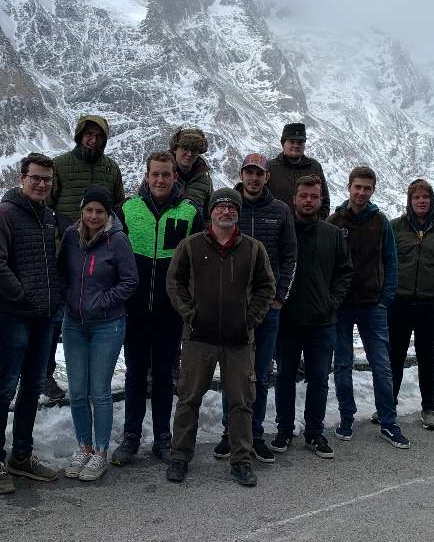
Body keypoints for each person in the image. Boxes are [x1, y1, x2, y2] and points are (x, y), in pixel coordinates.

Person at [165, 189, 276, 486]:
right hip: (199, 337)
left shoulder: (254, 249)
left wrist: (249, 320)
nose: (226, 212)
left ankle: (241, 460)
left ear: (237, 213)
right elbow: (174, 283)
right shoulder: (190, 246)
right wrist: (191, 315)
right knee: (189, 398)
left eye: (231, 208)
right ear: (211, 212)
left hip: (239, 339)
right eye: (220, 207)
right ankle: (179, 456)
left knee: (241, 402)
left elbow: (267, 287)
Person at [111, 152, 203, 465]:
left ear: (174, 177)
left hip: (169, 311)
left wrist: (187, 302)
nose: (160, 180)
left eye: (166, 175)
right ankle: (131, 437)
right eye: (155, 175)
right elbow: (111, 255)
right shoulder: (128, 208)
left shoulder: (189, 212)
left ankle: (163, 438)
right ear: (147, 176)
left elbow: (198, 261)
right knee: (135, 374)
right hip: (134, 309)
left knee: (164, 376)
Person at [0, 153, 64, 493]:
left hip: (43, 316)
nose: (42, 184)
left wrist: (51, 296)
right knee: (5, 385)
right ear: (22, 178)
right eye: (36, 178)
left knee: (32, 385)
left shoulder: (49, 218)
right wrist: (22, 294)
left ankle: (22, 455)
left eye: (46, 179)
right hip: (13, 314)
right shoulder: (3, 215)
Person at [214, 153, 296, 464]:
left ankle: (255, 433)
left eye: (259, 173)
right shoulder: (228, 207)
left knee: (260, 374)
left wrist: (279, 297)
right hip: (232, 308)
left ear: (267, 177)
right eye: (249, 172)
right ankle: (229, 433)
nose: (254, 178)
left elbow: (290, 256)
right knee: (233, 374)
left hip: (268, 309)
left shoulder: (279, 211)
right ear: (241, 174)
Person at [58, 186, 138, 481]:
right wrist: (68, 299)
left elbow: (130, 281)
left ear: (108, 214)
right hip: (74, 323)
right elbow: (62, 272)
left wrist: (101, 301)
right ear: (82, 211)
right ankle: (84, 447)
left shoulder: (117, 240)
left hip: (107, 324)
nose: (93, 216)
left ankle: (101, 452)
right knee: (78, 391)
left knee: (99, 391)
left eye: (99, 211)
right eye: (89, 210)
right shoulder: (70, 237)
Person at [46, 115, 127, 400]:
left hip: (102, 244)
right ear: (79, 135)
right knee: (60, 312)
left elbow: (117, 203)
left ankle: (93, 376)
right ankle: (47, 374)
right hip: (67, 242)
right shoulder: (61, 165)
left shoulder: (110, 167)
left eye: (98, 135)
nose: (92, 140)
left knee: (96, 303)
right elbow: (49, 202)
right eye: (88, 134)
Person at [272, 176, 354, 459]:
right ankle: (284, 429)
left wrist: (333, 302)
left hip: (322, 321)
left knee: (319, 378)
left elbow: (345, 271)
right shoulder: (285, 231)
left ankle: (315, 432)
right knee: (284, 377)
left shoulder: (332, 234)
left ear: (321, 200)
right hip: (288, 321)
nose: (309, 201)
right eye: (304, 196)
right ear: (294, 199)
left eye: (314, 197)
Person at [328, 165, 408, 448]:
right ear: (349, 187)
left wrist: (385, 298)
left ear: (373, 190)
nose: (361, 192)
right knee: (342, 365)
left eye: (367, 188)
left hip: (373, 305)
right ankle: (347, 417)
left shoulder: (380, 222)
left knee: (382, 366)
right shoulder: (335, 221)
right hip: (342, 306)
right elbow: (327, 264)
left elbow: (391, 261)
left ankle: (389, 421)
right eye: (357, 187)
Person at [388, 178, 434, 432]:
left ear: (432, 200)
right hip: (398, 302)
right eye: (416, 197)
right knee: (393, 356)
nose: (421, 201)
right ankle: (388, 407)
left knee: (427, 357)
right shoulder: (395, 227)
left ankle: (429, 409)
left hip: (431, 305)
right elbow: (384, 262)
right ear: (410, 201)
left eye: (425, 197)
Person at [268, 122, 330, 219]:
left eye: (300, 142)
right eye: (292, 141)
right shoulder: (270, 167)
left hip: (309, 229)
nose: (296, 145)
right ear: (283, 143)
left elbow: (325, 200)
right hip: (279, 228)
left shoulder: (314, 167)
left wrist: (317, 222)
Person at [169, 126, 213, 215]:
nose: (189, 154)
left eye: (194, 150)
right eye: (185, 148)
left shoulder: (205, 179)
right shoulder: (160, 174)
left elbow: (209, 213)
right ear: (175, 149)